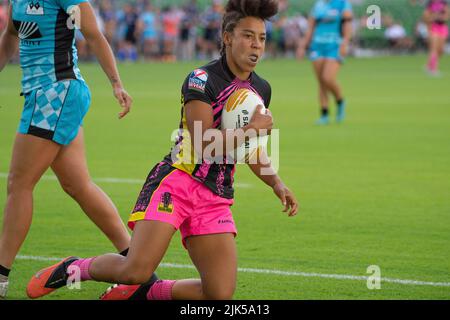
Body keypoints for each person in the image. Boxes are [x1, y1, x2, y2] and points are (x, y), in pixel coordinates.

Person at [26, 0, 299, 301]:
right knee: (135, 270)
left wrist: (276, 182)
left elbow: (248, 148)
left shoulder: (262, 89)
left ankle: (146, 295)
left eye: (261, 38)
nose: (256, 45)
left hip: (216, 195)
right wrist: (253, 129)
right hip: (177, 183)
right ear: (227, 37)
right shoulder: (201, 80)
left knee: (218, 296)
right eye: (248, 35)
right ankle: (73, 268)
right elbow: (204, 142)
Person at [0, 0, 135, 299]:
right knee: (78, 185)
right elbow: (10, 34)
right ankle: (138, 265)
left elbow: (94, 34)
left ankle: (0, 276)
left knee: (19, 184)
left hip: (55, 93)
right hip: (47, 95)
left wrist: (116, 84)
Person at [297, 0, 353, 125]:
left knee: (328, 78)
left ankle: (340, 100)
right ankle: (324, 114)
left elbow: (347, 25)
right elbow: (311, 27)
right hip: (317, 46)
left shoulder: (343, 4)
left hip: (334, 46)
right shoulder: (318, 5)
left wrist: (345, 43)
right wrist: (302, 46)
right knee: (321, 82)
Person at [423, 0, 449, 75]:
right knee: (434, 48)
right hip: (433, 27)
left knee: (440, 50)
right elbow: (425, 16)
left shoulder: (444, 2)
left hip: (443, 27)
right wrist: (432, 17)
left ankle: (428, 65)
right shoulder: (430, 3)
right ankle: (433, 69)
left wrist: (443, 17)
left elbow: (447, 14)